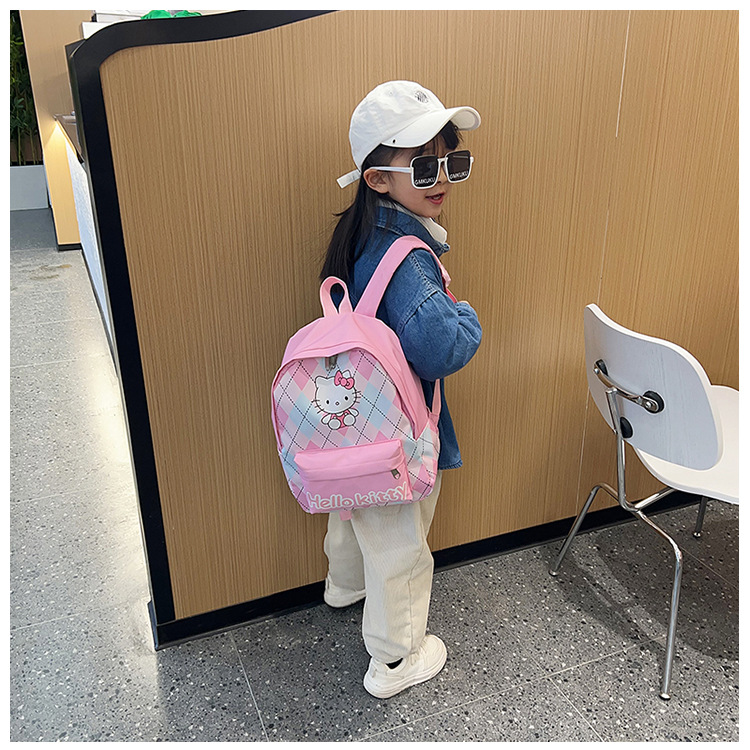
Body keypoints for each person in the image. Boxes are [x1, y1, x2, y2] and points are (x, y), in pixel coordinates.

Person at [320, 80, 483, 699]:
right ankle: (394, 661)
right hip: (398, 432)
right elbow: (440, 349)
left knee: (354, 510)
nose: (441, 179)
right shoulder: (408, 256)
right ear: (378, 179)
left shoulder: (359, 234)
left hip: (353, 424)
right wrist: (466, 315)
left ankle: (345, 586)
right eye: (423, 166)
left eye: (451, 162)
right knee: (402, 542)